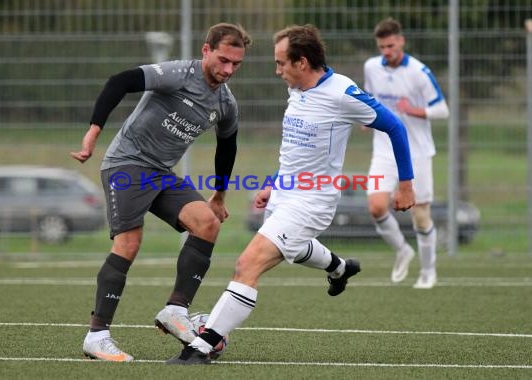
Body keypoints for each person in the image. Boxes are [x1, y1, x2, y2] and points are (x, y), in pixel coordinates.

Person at [166, 24, 416, 365]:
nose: (277, 69)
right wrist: (273, 182)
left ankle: (203, 345)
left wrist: (405, 185)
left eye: (281, 62)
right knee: (294, 250)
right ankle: (340, 268)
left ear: (301, 61)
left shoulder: (342, 93)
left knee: (247, 264)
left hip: (312, 201)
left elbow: (395, 127)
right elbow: (297, 149)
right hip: (285, 193)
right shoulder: (297, 89)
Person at [70, 23, 252, 362]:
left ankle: (175, 310)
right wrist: (93, 133)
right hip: (127, 163)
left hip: (160, 173)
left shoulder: (226, 103)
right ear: (206, 50)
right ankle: (97, 336)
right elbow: (119, 82)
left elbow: (227, 145)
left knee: (208, 222)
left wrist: (220, 196)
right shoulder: (178, 74)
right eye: (223, 60)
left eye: (236, 64)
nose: (228, 70)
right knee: (129, 242)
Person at [363, 18, 450, 289]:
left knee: (420, 215)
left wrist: (413, 110)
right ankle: (402, 250)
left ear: (401, 41)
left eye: (391, 45)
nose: (386, 51)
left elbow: (442, 110)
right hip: (384, 151)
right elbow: (369, 97)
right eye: (382, 47)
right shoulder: (371, 67)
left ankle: (428, 271)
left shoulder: (419, 72)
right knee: (376, 206)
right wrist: (366, 118)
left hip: (417, 153)